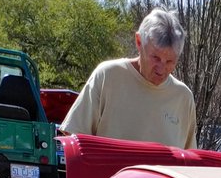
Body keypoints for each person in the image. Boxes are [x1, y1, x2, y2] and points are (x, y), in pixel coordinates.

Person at [60, 8, 196, 149]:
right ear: (138, 42)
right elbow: (74, 140)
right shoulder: (108, 76)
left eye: (170, 62)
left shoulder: (183, 98)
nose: (161, 69)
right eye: (155, 58)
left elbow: (190, 161)